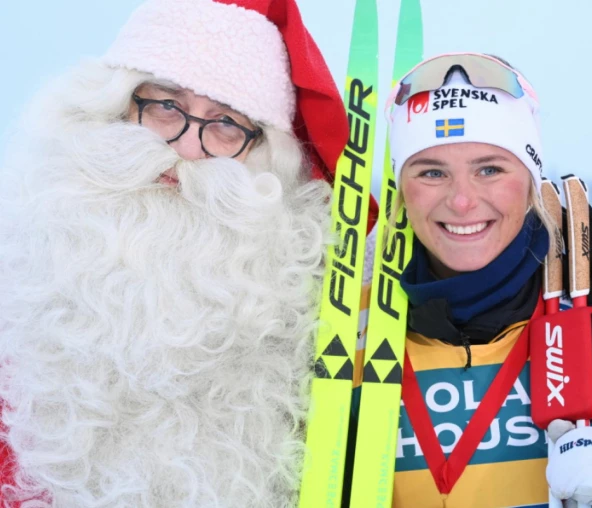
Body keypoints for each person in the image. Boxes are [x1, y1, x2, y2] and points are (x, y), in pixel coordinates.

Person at [0, 0, 356, 506]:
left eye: (226, 124)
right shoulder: (20, 266)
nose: (187, 148)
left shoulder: (313, 321)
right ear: (108, 108)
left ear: (263, 157)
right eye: (165, 107)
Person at [347, 53, 592, 508]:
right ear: (402, 189)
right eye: (432, 172)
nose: (462, 201)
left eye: (489, 169)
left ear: (530, 182)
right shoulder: (351, 329)